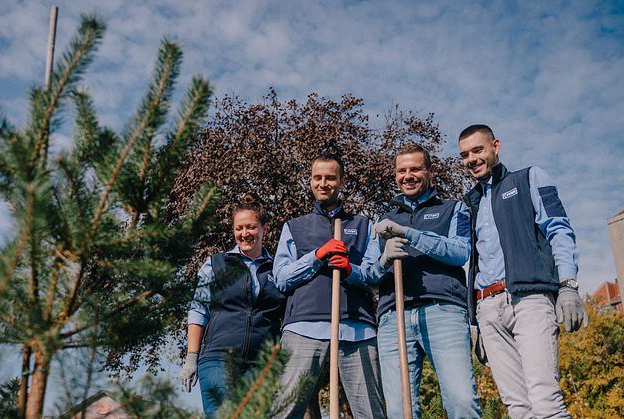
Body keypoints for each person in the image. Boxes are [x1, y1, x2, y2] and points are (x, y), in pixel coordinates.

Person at [458, 124, 587, 419]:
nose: (471, 159)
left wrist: (568, 285)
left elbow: (559, 229)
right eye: (464, 155)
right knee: (518, 407)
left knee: (544, 399)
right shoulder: (469, 202)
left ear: (495, 147)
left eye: (478, 150)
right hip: (487, 310)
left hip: (529, 299)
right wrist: (475, 322)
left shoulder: (529, 177)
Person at [370, 143, 481, 418]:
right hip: (393, 316)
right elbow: (370, 275)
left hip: (443, 311)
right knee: (399, 411)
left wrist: (410, 234)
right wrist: (384, 260)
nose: (408, 175)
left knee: (461, 401)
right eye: (402, 170)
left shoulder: (453, 209)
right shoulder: (383, 219)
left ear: (430, 172)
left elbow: (460, 251)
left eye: (416, 169)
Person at [273, 154, 385, 419]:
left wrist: (348, 270)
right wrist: (317, 255)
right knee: (284, 411)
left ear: (341, 181)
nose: (323, 183)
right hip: (303, 328)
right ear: (311, 181)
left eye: (330, 178)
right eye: (317, 177)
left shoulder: (364, 225)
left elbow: (374, 276)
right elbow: (281, 278)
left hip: (357, 330)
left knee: (371, 413)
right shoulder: (294, 227)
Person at [180, 193, 286, 419]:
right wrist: (191, 358)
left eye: (251, 227)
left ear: (264, 229)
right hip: (218, 359)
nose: (245, 234)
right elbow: (198, 310)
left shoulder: (277, 268)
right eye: (239, 228)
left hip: (260, 363)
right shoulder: (216, 264)